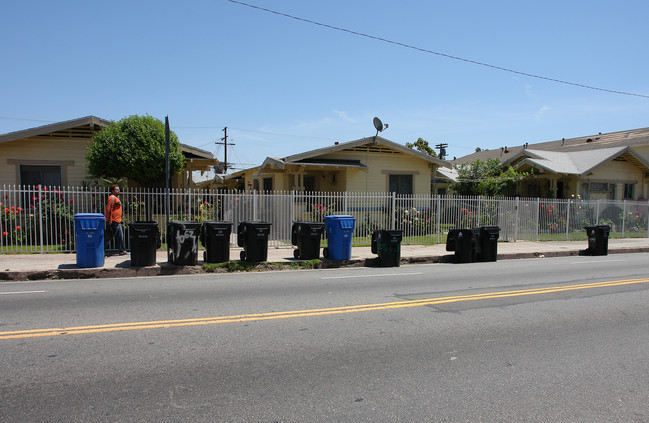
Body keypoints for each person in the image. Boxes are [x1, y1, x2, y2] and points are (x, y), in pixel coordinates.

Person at [104, 185, 127, 254]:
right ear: (112, 191)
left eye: (118, 189)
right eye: (117, 190)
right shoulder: (112, 198)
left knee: (120, 236)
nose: (118, 191)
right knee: (109, 236)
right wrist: (109, 219)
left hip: (117, 220)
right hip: (113, 221)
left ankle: (122, 250)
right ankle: (100, 249)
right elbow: (108, 209)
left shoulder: (116, 198)